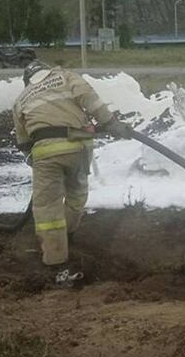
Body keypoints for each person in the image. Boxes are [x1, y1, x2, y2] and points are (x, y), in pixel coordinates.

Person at [12, 60, 130, 285]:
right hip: (79, 146)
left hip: (46, 152)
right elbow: (89, 98)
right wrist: (111, 122)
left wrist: (34, 159)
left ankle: (56, 260)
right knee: (76, 193)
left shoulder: (21, 98)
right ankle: (67, 233)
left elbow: (23, 140)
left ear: (28, 80)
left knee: (48, 206)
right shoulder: (65, 76)